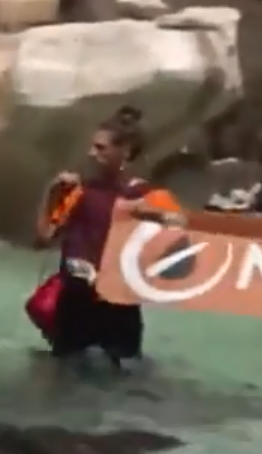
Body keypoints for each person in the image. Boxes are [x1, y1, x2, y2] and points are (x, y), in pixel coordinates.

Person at [33, 106, 181, 369]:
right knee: (64, 377)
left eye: (101, 148)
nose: (92, 153)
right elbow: (43, 238)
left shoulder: (152, 196)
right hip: (75, 304)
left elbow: (183, 243)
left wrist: (157, 218)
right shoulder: (80, 191)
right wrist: (52, 191)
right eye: (93, 146)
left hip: (119, 308)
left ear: (125, 150)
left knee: (123, 383)